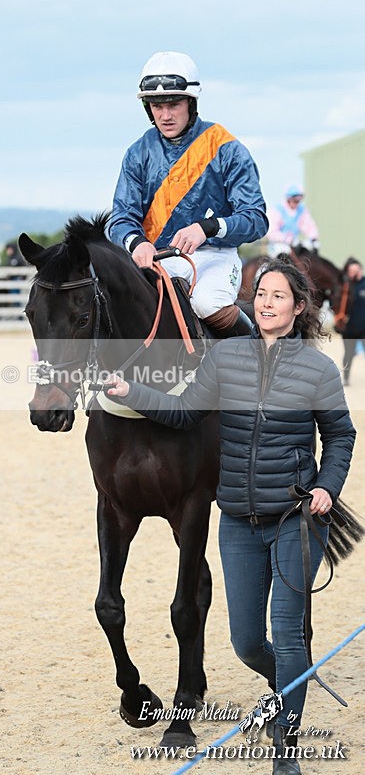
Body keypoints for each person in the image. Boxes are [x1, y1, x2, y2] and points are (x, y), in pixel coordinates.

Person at [106, 258, 355, 774]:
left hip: (295, 517)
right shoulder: (226, 359)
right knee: (246, 641)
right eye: (261, 294)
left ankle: (286, 749)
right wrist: (134, 395)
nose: (266, 303)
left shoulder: (318, 368)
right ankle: (292, 680)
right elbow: (185, 412)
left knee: (287, 635)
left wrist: (327, 488)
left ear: (299, 307)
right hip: (239, 522)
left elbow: (340, 436)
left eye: (278, 296)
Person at [108, 50, 268, 337]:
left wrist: (206, 229)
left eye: (173, 104)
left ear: (191, 103)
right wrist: (136, 244)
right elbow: (121, 218)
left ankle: (257, 358)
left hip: (214, 257)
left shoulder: (225, 148)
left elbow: (255, 218)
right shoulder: (137, 153)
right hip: (155, 259)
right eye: (157, 106)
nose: (165, 115)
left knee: (208, 303)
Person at [266, 185, 319, 257]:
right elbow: (272, 232)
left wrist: (313, 239)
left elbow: (309, 226)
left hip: (294, 246)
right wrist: (288, 239)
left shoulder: (301, 210)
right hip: (277, 246)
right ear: (289, 198)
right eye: (295, 200)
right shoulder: (278, 210)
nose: (297, 203)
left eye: (299, 200)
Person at [340, 257, 365, 386]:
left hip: (363, 329)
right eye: (350, 271)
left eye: (354, 270)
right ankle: (346, 378)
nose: (352, 273)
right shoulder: (345, 287)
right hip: (349, 329)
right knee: (348, 354)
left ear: (359, 269)